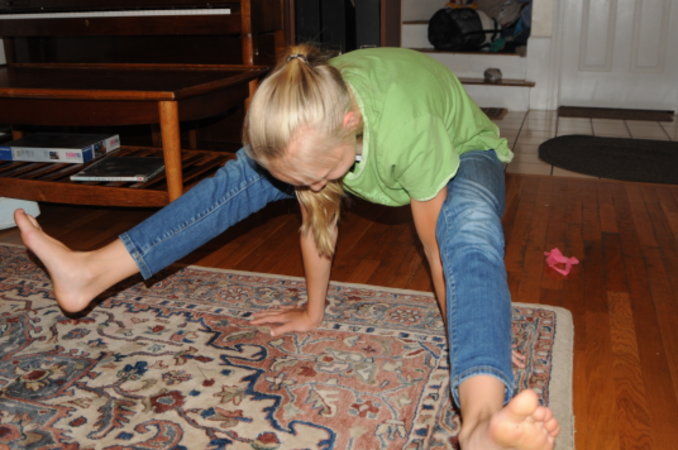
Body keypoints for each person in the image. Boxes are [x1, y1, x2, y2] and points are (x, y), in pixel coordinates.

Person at [14, 45, 560, 449]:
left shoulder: (406, 127)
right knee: (243, 175)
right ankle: (92, 271)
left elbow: (439, 252)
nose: (311, 189)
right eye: (297, 180)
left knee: (467, 225)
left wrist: (476, 332)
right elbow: (316, 216)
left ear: (349, 125)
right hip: (347, 141)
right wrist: (312, 309)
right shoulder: (306, 115)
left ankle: (481, 423)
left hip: (465, 152)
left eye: (318, 175)